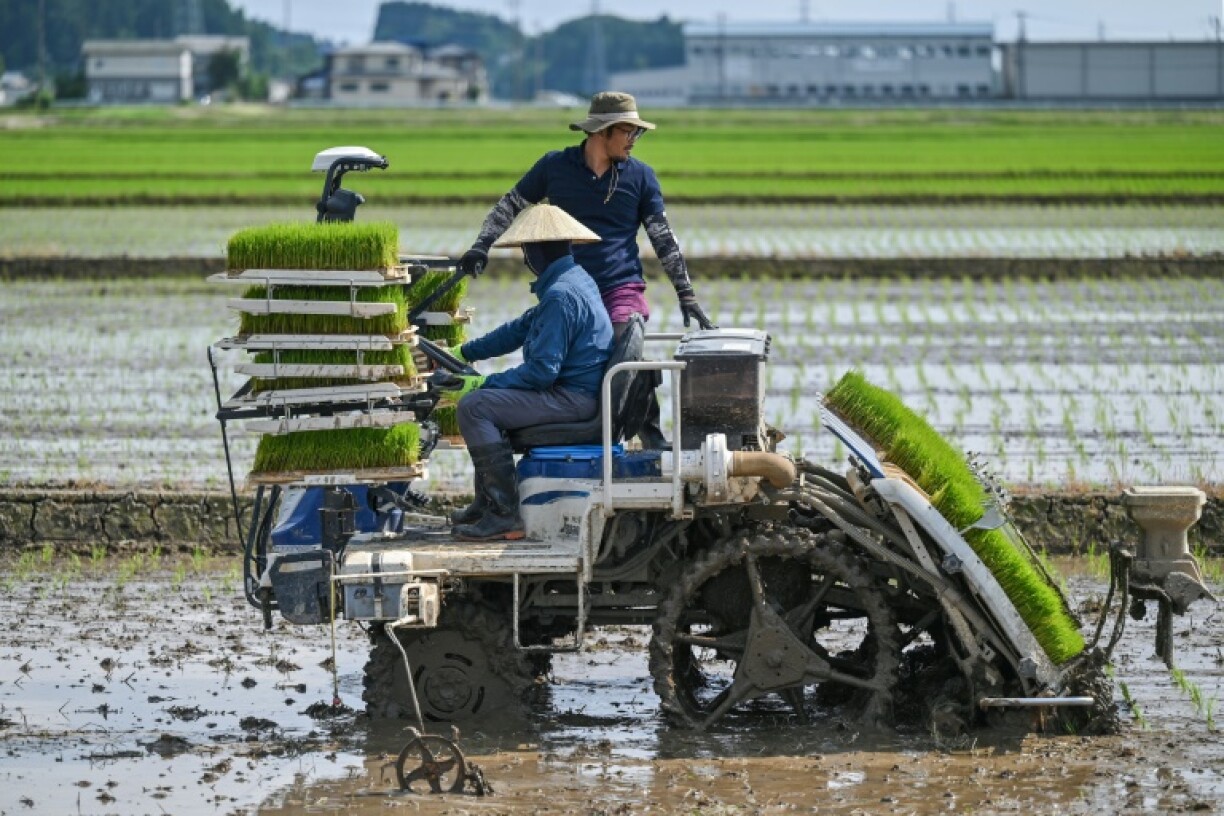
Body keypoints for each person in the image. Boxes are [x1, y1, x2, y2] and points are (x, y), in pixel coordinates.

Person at [459, 91, 715, 447]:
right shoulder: (554, 167)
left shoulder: (641, 177)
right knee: (560, 359)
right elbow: (510, 205)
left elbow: (663, 238)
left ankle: (651, 437)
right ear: (602, 131)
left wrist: (685, 293)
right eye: (628, 132)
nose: (633, 141)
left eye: (637, 133)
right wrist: (481, 244)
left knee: (625, 346)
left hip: (619, 287)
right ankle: (563, 421)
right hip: (571, 288)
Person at [442, 204, 613, 541]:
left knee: (475, 406)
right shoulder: (573, 279)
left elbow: (541, 373)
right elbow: (521, 328)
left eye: (525, 251)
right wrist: (463, 352)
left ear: (536, 252)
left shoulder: (561, 296)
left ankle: (505, 514)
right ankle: (487, 504)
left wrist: (483, 383)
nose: (524, 259)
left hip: (574, 399)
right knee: (486, 401)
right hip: (579, 393)